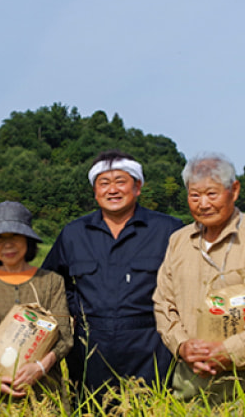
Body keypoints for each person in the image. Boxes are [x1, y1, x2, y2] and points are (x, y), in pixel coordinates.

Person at [41, 150, 183, 399]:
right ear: (95, 191)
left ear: (137, 187)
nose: (112, 190)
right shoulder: (74, 233)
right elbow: (50, 284)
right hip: (90, 349)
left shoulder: (168, 230)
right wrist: (73, 311)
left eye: (121, 181)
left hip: (151, 345)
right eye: (104, 183)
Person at [153, 152, 245, 403]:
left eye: (212, 194)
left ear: (234, 190)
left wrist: (230, 350)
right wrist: (183, 345)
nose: (203, 204)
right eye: (195, 196)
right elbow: (163, 303)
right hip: (189, 382)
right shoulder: (179, 241)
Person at [0, 201, 72, 407]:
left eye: (15, 236)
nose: (7, 245)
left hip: (45, 396)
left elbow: (64, 338)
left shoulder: (51, 282)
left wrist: (40, 368)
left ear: (28, 240)